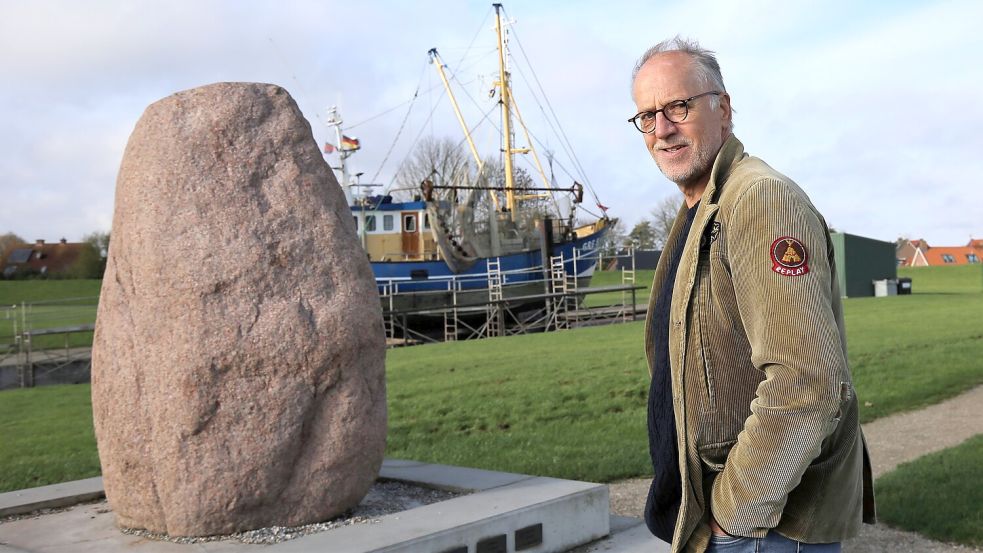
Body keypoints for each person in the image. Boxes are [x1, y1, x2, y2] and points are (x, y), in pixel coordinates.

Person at [629, 37, 875, 553]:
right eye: (647, 116)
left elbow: (807, 381)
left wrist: (734, 515)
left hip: (763, 530)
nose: (662, 129)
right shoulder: (703, 208)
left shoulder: (758, 199)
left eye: (678, 106)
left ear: (724, 109)